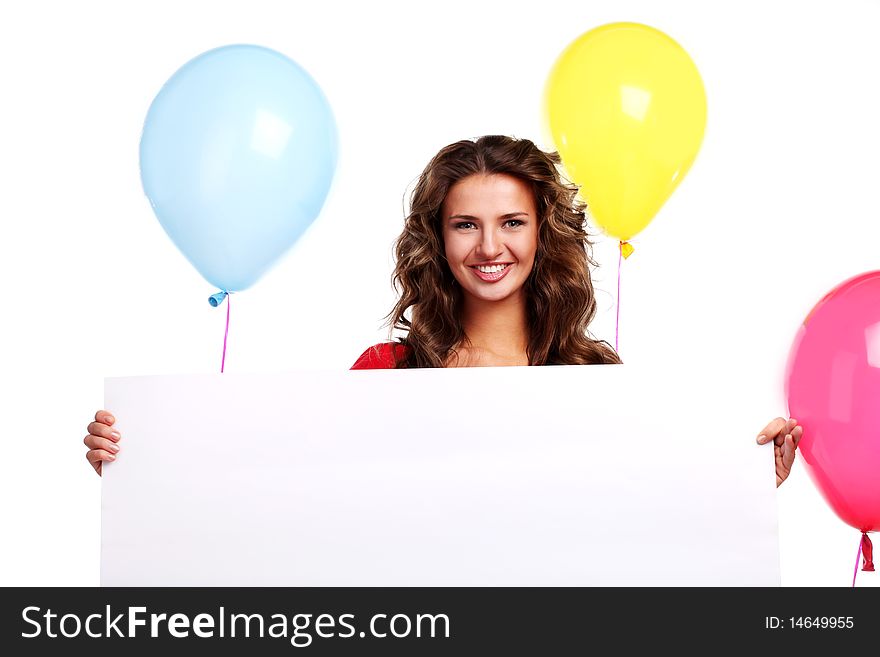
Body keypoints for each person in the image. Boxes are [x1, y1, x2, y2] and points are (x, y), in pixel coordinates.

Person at [83, 135, 803, 484]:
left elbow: (647, 511)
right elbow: (285, 483)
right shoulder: (385, 370)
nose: (490, 246)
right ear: (438, 236)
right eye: (466, 224)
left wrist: (740, 477)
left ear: (541, 234)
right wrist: (146, 459)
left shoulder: (595, 375)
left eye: (512, 222)